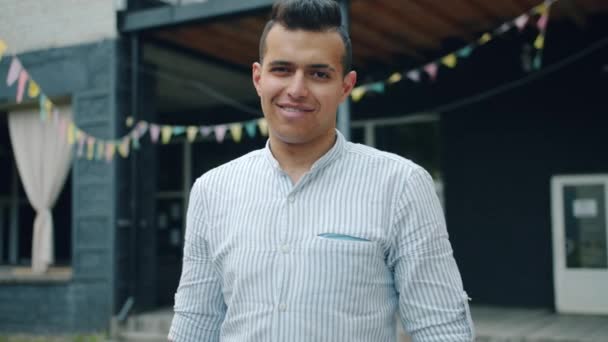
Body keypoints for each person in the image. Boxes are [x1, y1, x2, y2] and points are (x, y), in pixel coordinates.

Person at [169, 0, 474, 341]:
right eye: (282, 69)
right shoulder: (212, 190)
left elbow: (442, 328)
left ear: (346, 85)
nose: (297, 90)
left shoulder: (400, 185)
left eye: (319, 73)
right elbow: (196, 324)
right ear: (258, 77)